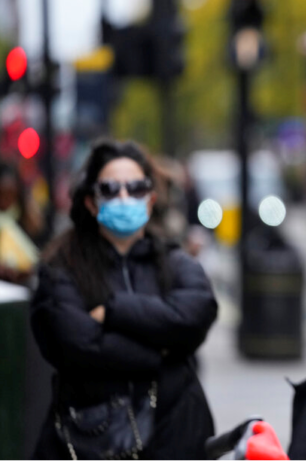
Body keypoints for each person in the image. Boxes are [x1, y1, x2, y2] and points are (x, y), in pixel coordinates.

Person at [31, 139, 218, 459]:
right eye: (110, 189)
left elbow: (194, 314)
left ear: (151, 199)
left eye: (135, 188)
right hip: (90, 441)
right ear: (91, 202)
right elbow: (77, 344)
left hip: (176, 437)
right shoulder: (61, 267)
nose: (123, 197)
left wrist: (114, 312)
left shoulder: (176, 262)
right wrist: (161, 352)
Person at [0, 159, 43, 284]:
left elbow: (38, 258)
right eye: (1, 194)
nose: (5, 202)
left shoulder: (29, 221)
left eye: (10, 194)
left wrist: (25, 270)